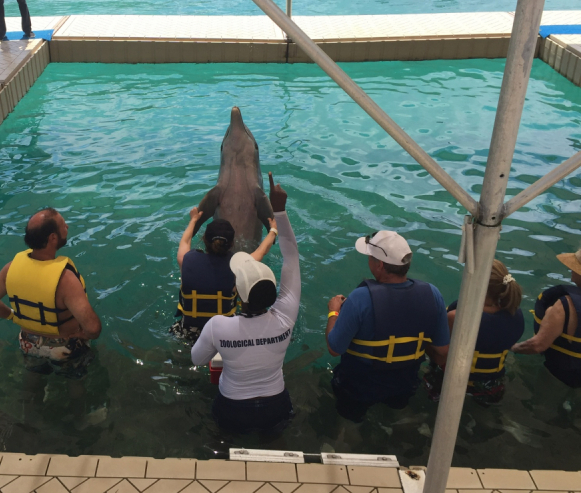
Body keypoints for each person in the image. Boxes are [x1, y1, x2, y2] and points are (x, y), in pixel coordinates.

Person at [191, 173, 300, 433]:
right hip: (277, 404)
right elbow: (292, 258)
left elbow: (197, 358)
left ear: (238, 294)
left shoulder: (219, 326)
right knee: (276, 443)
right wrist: (280, 213)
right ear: (274, 289)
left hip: (232, 406)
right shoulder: (286, 316)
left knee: (222, 444)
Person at [325, 231, 449, 421]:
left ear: (380, 265)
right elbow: (442, 350)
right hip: (405, 384)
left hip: (359, 386)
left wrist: (334, 312)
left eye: (370, 257)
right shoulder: (433, 294)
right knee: (393, 414)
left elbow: (334, 348)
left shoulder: (360, 298)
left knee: (350, 418)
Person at [0, 208, 102, 375]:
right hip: (63, 346)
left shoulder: (10, 269)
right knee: (74, 384)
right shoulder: (65, 279)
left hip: (29, 343)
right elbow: (93, 329)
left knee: (33, 380)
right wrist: (82, 334)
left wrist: (12, 316)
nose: (67, 226)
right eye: (63, 225)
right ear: (53, 238)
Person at [423, 260, 524, 404]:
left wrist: (425, 337)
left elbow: (440, 357)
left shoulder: (458, 317)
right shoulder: (515, 314)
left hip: (451, 388)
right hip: (492, 388)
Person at [172, 209, 278, 343]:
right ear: (232, 244)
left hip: (188, 332)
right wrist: (273, 230)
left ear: (204, 239)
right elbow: (261, 251)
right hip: (225, 334)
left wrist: (193, 220)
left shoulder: (185, 260)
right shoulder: (238, 268)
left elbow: (185, 242)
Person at [512, 246, 581, 387]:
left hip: (562, 378)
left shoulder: (565, 306)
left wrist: (512, 348)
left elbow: (537, 345)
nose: (571, 269)